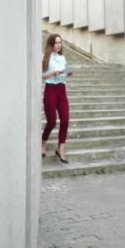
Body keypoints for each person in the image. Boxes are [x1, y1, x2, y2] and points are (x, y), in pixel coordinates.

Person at [41, 33, 72, 164]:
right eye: (56, 42)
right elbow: (41, 76)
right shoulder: (46, 58)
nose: (58, 45)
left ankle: (61, 149)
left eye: (60, 42)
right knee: (52, 121)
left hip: (61, 90)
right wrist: (53, 73)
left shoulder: (62, 58)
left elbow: (64, 73)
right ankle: (43, 143)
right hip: (50, 90)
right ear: (51, 44)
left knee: (65, 120)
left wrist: (68, 73)